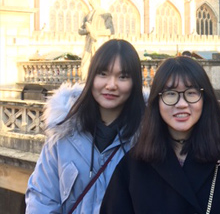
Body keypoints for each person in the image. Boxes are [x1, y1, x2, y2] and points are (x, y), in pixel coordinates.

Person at [100, 56, 220, 214]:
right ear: (157, 101)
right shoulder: (134, 165)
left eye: (191, 93)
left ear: (204, 99)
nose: (181, 104)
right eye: (170, 94)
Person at [25, 39, 145, 214]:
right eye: (103, 74)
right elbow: (41, 200)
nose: (111, 85)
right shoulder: (62, 133)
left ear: (135, 82)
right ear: (91, 77)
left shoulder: (148, 138)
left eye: (123, 77)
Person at [78, 0, 115, 82]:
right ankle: (86, 85)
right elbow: (80, 30)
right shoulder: (88, 15)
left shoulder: (105, 14)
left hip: (99, 43)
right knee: (85, 66)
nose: (89, 2)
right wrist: (87, 30)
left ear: (96, 0)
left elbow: (111, 30)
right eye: (88, 0)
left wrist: (95, 32)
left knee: (100, 65)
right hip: (88, 44)